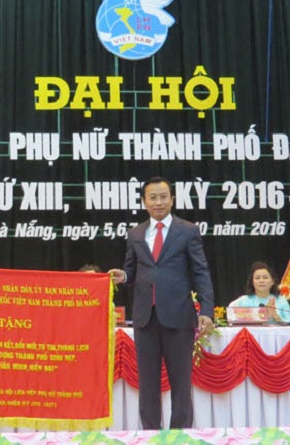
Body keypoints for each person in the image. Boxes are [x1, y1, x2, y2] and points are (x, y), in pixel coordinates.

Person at [109, 177, 214, 429]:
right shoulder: (135, 233)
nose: (159, 202)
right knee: (148, 384)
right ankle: (151, 435)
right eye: (153, 198)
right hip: (146, 318)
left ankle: (180, 436)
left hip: (178, 316)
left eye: (163, 197)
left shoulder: (187, 230)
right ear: (144, 202)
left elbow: (201, 272)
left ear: (172, 199)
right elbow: (132, 271)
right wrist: (123, 276)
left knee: (180, 382)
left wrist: (207, 309)